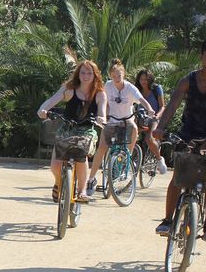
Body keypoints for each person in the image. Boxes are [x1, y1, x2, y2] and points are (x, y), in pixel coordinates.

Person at [153, 38, 206, 243]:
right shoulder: (188, 81)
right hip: (189, 133)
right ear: (202, 57)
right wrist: (161, 127)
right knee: (178, 178)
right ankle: (167, 220)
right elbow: (172, 106)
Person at [37, 60, 108, 203]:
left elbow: (102, 113)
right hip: (67, 128)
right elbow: (51, 101)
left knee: (81, 156)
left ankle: (82, 191)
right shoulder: (68, 90)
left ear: (95, 75)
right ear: (78, 74)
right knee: (55, 166)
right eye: (83, 72)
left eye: (89, 73)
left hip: (86, 130)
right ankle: (58, 183)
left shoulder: (100, 95)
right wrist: (43, 110)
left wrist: (101, 119)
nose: (86, 76)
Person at [85, 59, 157, 195]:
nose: (116, 79)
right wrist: (103, 116)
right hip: (112, 121)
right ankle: (91, 179)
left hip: (126, 120)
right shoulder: (108, 85)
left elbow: (141, 99)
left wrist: (150, 109)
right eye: (114, 76)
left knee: (134, 129)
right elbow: (103, 101)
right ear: (110, 76)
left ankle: (127, 156)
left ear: (123, 75)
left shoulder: (130, 87)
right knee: (101, 148)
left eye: (119, 76)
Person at [135, 68, 169, 175]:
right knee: (129, 136)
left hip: (154, 118)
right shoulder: (136, 90)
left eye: (146, 79)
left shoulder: (156, 89)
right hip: (140, 118)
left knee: (149, 138)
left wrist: (157, 116)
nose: (143, 82)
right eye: (141, 79)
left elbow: (162, 106)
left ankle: (159, 159)